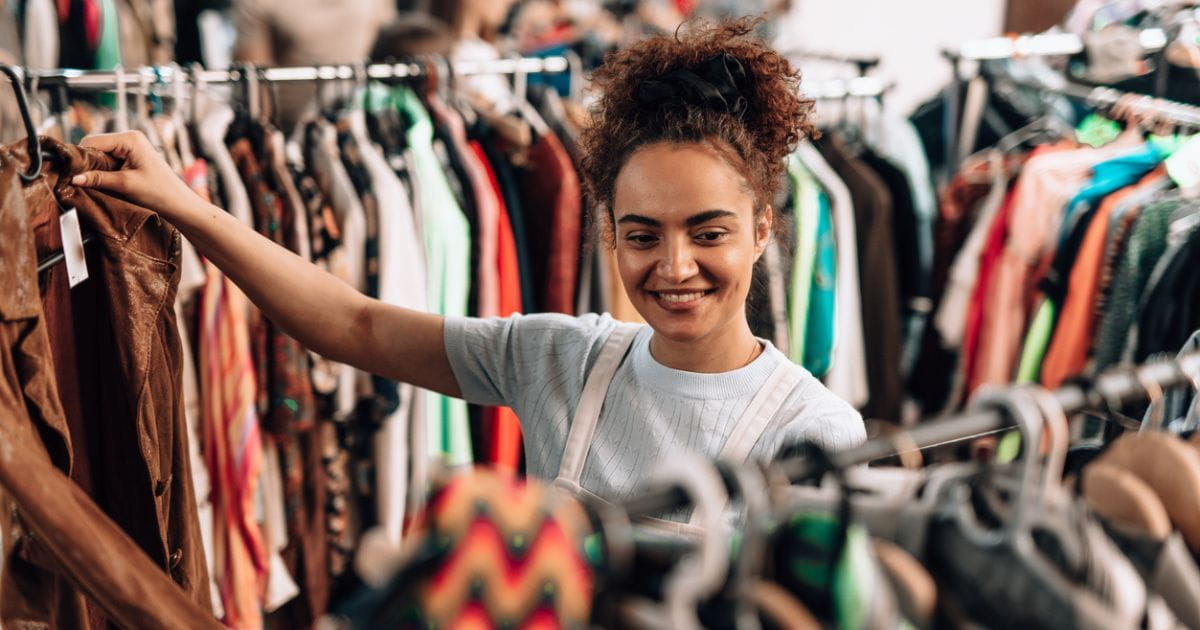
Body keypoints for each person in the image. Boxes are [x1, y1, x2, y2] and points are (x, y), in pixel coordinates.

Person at [68, 18, 864, 529]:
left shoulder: (817, 432)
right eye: (642, 234)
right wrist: (183, 205)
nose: (675, 265)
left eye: (709, 232)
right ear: (608, 233)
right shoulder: (564, 360)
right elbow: (353, 325)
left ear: (762, 228)